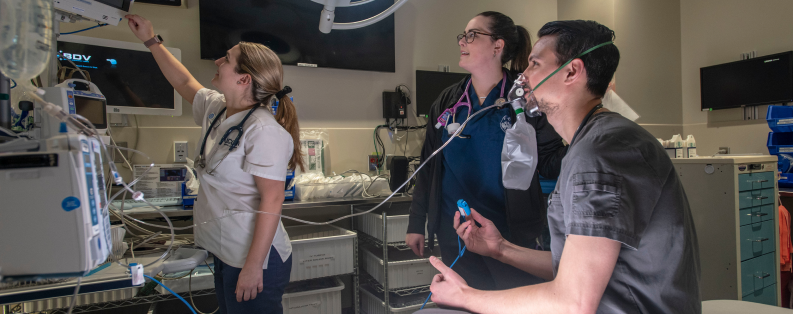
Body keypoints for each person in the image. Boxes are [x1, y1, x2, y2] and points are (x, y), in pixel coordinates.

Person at [423, 20, 701, 313]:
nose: (524, 76)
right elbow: (572, 267)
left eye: (534, 64)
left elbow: (573, 302)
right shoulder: (590, 144)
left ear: (571, 72)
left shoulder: (600, 153)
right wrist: (501, 249)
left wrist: (465, 295)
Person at [126, 15, 304, 314]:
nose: (218, 60)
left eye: (227, 58)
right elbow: (183, 81)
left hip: (256, 258)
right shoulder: (218, 108)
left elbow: (272, 200)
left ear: (243, 79)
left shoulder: (264, 131)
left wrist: (252, 267)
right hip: (227, 251)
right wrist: (150, 40)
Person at [406, 11, 566, 291]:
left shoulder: (527, 98)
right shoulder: (447, 101)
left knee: (514, 304)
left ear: (498, 45)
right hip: (454, 229)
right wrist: (416, 222)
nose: (462, 42)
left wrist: (587, 132)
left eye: (471, 35)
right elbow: (428, 166)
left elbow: (552, 162)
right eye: (462, 36)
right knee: (467, 301)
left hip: (510, 233)